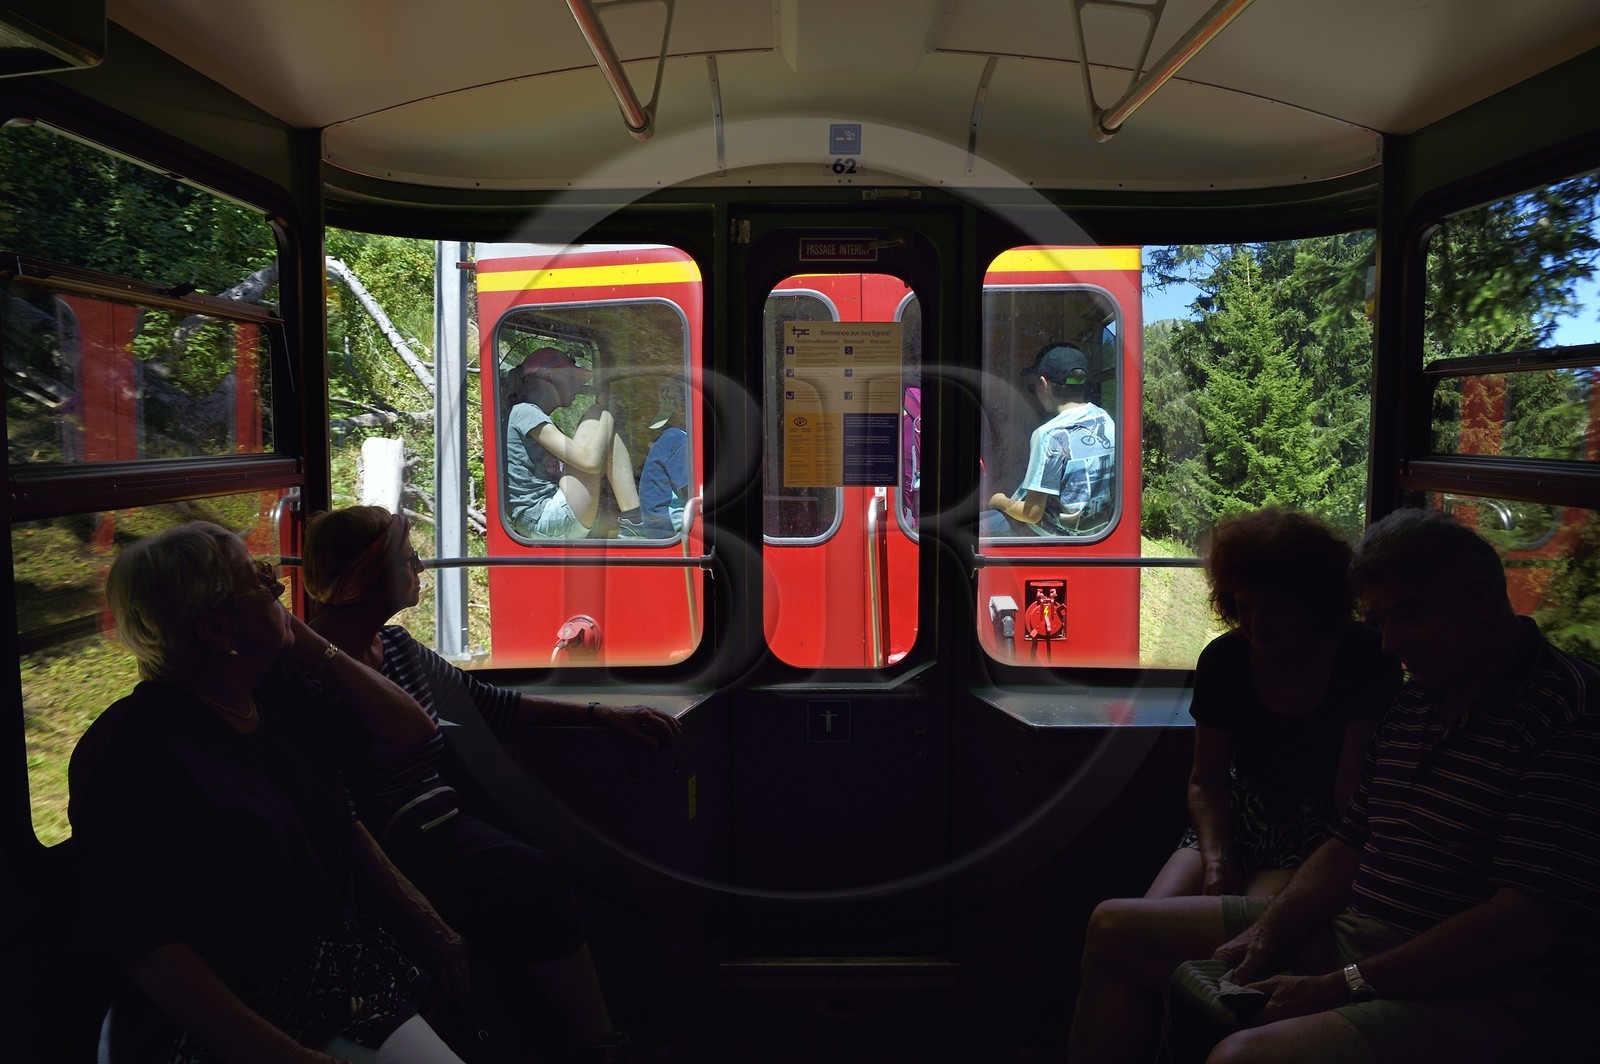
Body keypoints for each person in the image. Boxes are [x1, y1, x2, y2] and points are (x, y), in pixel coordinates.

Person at [1066, 508, 1600, 1064]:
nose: (1390, 645)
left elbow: (1517, 929)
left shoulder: (1569, 716)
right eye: (1379, 621)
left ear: (1479, 601)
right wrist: (1270, 929)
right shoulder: (1421, 699)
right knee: (1114, 928)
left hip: (1492, 985)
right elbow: (1354, 838)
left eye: (1408, 617)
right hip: (1364, 929)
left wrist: (1340, 984)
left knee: (1243, 1056)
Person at [70, 521, 471, 1064]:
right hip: (233, 1021)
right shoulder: (133, 752)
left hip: (335, 979)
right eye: (258, 581)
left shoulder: (272, 693)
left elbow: (402, 742)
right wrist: (285, 1054)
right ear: (216, 631)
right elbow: (148, 945)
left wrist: (306, 641)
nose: (281, 588)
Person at [302, 505, 682, 1062]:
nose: (421, 568)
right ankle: (598, 1045)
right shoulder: (310, 677)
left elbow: (489, 705)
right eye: (408, 560)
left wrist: (599, 716)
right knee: (527, 878)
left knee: (533, 872)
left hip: (438, 824)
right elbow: (330, 805)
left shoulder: (399, 648)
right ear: (367, 578)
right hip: (383, 849)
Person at [1145, 508, 1398, 899]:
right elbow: (1206, 780)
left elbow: (1349, 787)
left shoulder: (1362, 657)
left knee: (1249, 919)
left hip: (1322, 825)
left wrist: (1357, 868)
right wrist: (1216, 859)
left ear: (1315, 605)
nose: (1256, 625)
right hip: (1235, 814)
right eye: (1245, 607)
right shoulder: (1224, 660)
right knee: (1145, 919)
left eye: (1275, 611)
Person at [504, 347, 642, 539]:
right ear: (549, 377)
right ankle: (634, 520)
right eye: (572, 379)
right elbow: (589, 461)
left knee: (603, 430)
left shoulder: (535, 418)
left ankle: (633, 520)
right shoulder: (525, 412)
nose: (578, 386)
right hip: (543, 518)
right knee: (597, 417)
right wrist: (608, 410)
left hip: (546, 520)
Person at [981, 343, 1116, 536]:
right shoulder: (1105, 420)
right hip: (1095, 533)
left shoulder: (1049, 434)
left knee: (968, 531)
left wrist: (999, 500)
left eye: (1033, 385)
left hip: (1053, 536)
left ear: (1043, 384)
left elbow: (1032, 514)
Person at [637, 379, 690, 538]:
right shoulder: (679, 439)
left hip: (655, 522)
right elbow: (688, 490)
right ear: (682, 409)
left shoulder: (668, 436)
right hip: (668, 526)